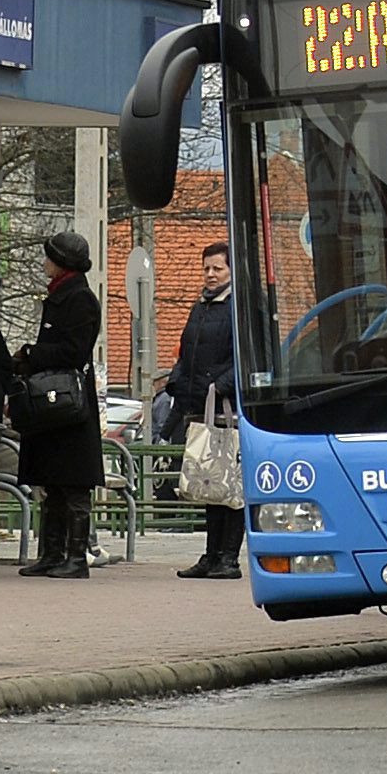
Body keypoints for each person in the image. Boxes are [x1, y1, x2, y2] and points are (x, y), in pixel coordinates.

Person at [3, 231, 104, 579]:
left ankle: (75, 557)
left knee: (73, 483)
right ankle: (51, 553)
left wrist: (32, 354)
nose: (44, 263)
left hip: (68, 403)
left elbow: (74, 351)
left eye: (49, 257)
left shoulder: (80, 299)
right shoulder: (60, 295)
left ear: (61, 262)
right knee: (51, 480)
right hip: (52, 404)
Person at [158, 241, 247, 579]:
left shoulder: (239, 306)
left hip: (227, 410)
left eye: (217, 268)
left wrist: (217, 385)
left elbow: (246, 357)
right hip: (201, 409)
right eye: (206, 268)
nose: (210, 274)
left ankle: (229, 558)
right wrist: (177, 383)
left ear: (230, 271)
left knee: (230, 486)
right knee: (209, 485)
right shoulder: (201, 306)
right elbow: (186, 353)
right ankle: (211, 555)